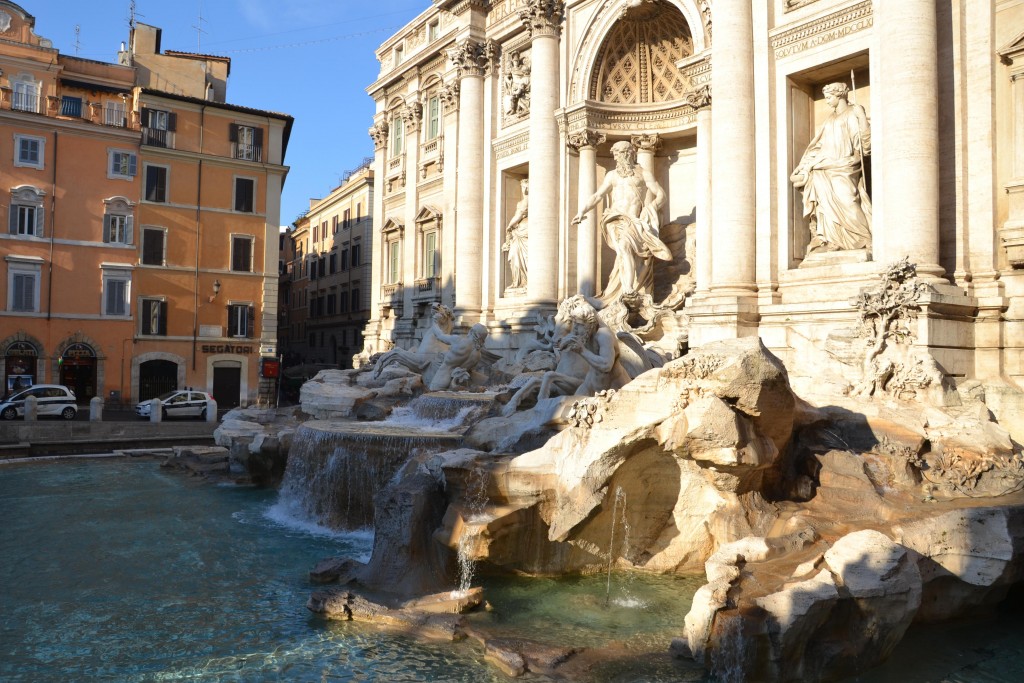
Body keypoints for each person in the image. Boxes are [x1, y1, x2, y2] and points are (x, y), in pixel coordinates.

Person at [572, 140, 672, 303]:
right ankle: (628, 288)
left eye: (620, 153)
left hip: (634, 220)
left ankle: (626, 287)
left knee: (632, 255)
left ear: (629, 153)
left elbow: (661, 195)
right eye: (616, 154)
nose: (617, 157)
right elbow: (598, 195)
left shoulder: (643, 173)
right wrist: (582, 211)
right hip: (614, 218)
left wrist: (651, 208)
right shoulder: (612, 175)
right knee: (624, 247)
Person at [791, 81, 872, 253]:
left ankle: (865, 238)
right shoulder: (829, 120)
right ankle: (832, 239)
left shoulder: (853, 113)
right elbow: (818, 147)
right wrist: (804, 167)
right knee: (825, 207)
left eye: (829, 97)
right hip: (824, 168)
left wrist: (862, 117)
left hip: (845, 166)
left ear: (839, 95)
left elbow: (865, 145)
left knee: (848, 200)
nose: (826, 101)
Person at [502, 179, 529, 291]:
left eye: (526, 186)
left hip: (525, 229)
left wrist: (509, 225)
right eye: (523, 186)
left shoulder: (528, 201)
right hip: (518, 231)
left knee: (525, 256)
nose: (524, 189)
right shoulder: (521, 202)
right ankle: (517, 282)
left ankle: (526, 281)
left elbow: (520, 214)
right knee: (515, 256)